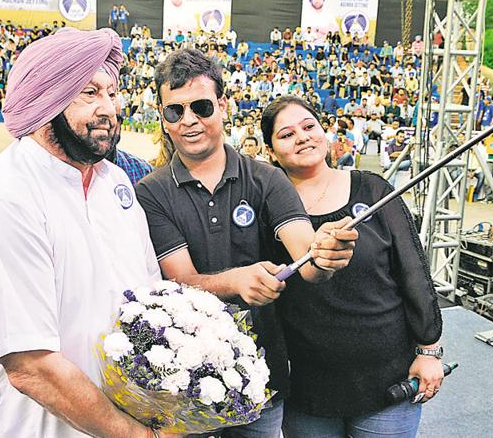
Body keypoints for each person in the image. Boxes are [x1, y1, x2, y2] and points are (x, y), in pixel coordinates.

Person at [134, 49, 358, 438]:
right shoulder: (151, 193)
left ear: (223, 105)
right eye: (175, 111)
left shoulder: (268, 179)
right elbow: (178, 280)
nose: (189, 121)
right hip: (181, 387)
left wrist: (325, 253)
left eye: (201, 107)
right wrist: (236, 282)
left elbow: (306, 255)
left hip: (260, 382)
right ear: (162, 116)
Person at [0, 28, 175, 437]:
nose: (110, 108)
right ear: (46, 100)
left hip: (124, 419)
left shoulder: (116, 182)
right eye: (89, 92)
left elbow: (151, 303)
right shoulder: (5, 195)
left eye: (113, 92)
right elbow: (31, 366)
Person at [260, 95, 443, 438]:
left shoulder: (373, 188)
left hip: (387, 380)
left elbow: (413, 272)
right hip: (308, 387)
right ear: (270, 151)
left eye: (309, 126)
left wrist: (429, 351)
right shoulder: (266, 206)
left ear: (324, 132)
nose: (302, 137)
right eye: (286, 134)